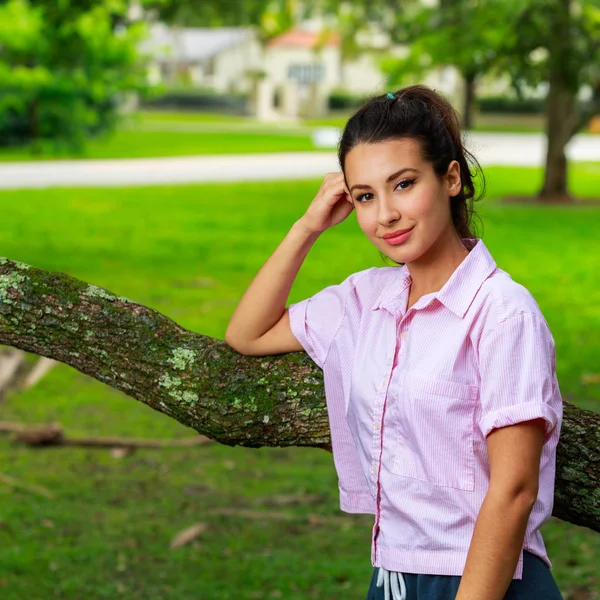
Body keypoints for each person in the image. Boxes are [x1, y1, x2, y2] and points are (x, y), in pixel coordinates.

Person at [224, 85, 564, 600]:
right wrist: (309, 225)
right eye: (364, 196)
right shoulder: (364, 300)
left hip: (487, 579)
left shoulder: (502, 312)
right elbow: (246, 334)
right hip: (392, 576)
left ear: (450, 178)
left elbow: (514, 492)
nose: (385, 214)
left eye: (403, 184)